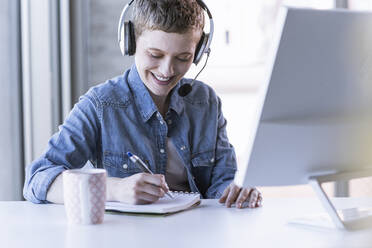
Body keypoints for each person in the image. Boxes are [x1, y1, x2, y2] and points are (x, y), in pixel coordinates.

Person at [23, 0, 262, 209]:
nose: (167, 70)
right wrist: (114, 189)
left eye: (183, 58)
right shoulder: (100, 105)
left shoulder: (205, 102)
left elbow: (223, 182)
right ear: (131, 42)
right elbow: (37, 180)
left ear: (199, 53)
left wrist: (236, 192)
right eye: (155, 55)